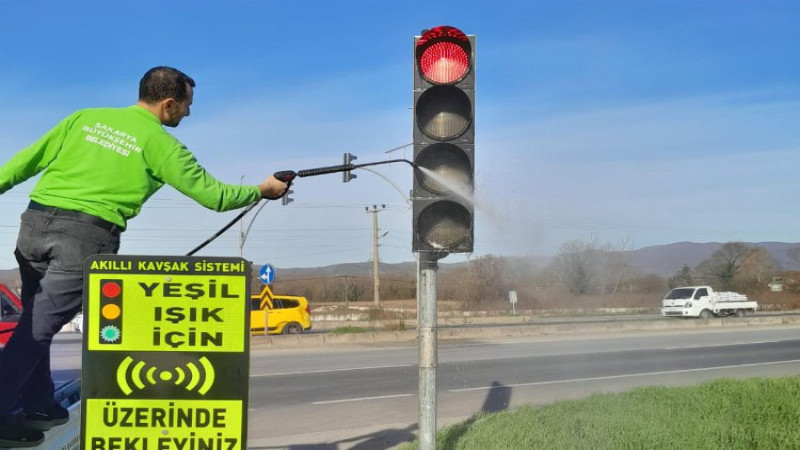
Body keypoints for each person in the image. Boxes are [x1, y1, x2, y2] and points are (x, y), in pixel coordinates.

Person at [0, 66, 288, 446]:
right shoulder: (162, 144)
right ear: (169, 103)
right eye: (187, 105)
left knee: (36, 324)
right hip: (85, 237)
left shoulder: (85, 118)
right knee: (37, 329)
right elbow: (216, 196)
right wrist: (262, 189)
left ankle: (39, 403)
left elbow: (24, 162)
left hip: (34, 226)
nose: (188, 113)